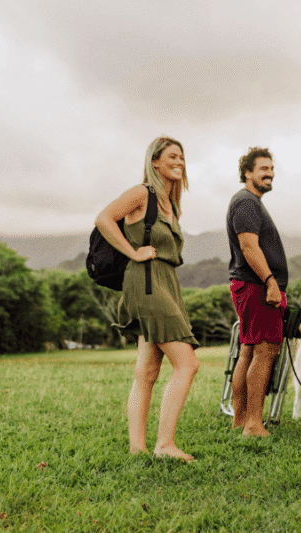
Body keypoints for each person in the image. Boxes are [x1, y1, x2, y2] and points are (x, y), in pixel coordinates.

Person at [94, 136, 200, 462]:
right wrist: (132, 252)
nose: (178, 161)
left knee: (147, 371)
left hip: (165, 281)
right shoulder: (143, 193)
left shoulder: (171, 205)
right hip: (147, 281)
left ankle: (137, 449)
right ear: (155, 161)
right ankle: (164, 445)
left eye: (181, 156)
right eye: (171, 156)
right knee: (188, 364)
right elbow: (104, 218)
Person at [226, 147, 288, 437]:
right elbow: (249, 246)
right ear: (247, 173)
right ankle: (253, 424)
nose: (270, 173)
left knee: (249, 352)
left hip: (250, 285)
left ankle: (241, 421)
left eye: (272, 169)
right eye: (263, 168)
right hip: (256, 286)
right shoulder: (246, 202)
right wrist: (270, 281)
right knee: (265, 351)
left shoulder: (250, 202)